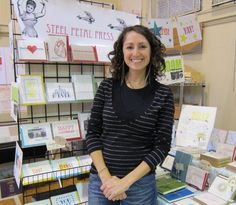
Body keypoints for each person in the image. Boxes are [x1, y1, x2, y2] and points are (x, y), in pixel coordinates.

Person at [85, 24, 174, 205]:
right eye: (129, 47)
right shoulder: (106, 87)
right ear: (122, 51)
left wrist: (125, 182)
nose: (136, 53)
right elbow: (92, 134)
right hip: (102, 183)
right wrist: (107, 178)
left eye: (142, 46)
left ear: (152, 51)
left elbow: (162, 147)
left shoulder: (163, 94)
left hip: (140, 186)